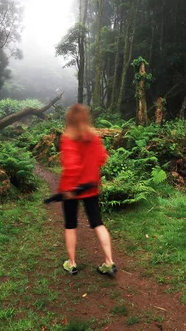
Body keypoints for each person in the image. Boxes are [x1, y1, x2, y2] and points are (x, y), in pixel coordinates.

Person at [58, 104, 116, 276]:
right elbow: (102, 158)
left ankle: (72, 263)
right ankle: (109, 262)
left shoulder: (67, 138)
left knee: (70, 225)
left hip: (72, 190)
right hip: (91, 187)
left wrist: (69, 187)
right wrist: (90, 172)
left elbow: (71, 166)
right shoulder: (94, 138)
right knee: (98, 223)